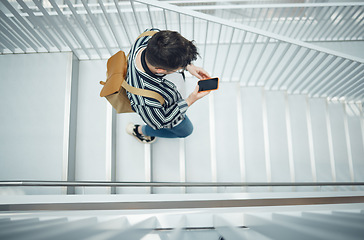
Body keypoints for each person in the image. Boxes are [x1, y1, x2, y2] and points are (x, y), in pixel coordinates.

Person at [125, 28, 211, 143]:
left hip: (169, 94)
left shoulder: (149, 35)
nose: (182, 68)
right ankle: (139, 130)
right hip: (171, 115)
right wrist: (191, 99)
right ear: (160, 70)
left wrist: (189, 66)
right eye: (179, 67)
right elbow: (160, 122)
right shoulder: (145, 99)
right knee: (187, 131)